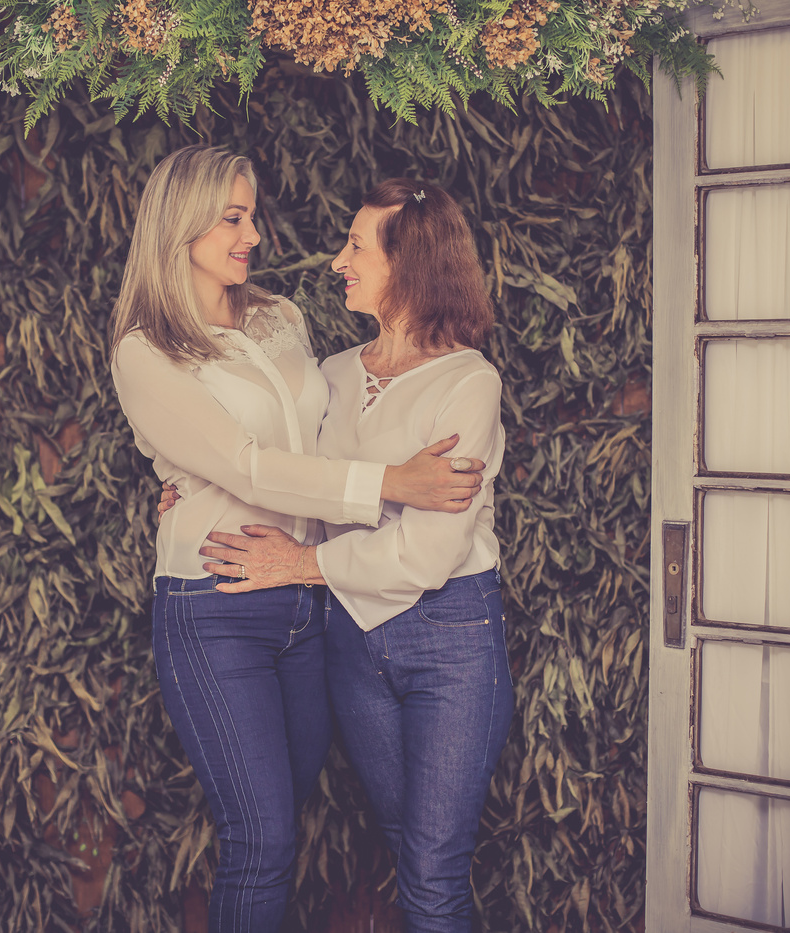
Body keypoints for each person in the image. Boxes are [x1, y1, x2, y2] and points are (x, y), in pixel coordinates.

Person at [107, 146, 486, 933]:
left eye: (251, 215)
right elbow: (246, 463)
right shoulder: (146, 349)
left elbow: (312, 437)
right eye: (232, 218)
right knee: (261, 840)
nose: (252, 234)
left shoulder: (280, 317)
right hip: (215, 601)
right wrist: (390, 482)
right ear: (181, 226)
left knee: (290, 812)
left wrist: (295, 549)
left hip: (305, 608)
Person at [194, 179, 512, 933]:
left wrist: (300, 566)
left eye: (357, 245)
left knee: (433, 878)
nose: (339, 260)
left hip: (451, 637)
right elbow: (284, 476)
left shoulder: (469, 382)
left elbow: (429, 554)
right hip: (352, 642)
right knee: (408, 851)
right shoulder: (332, 375)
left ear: (412, 263)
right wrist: (186, 484)